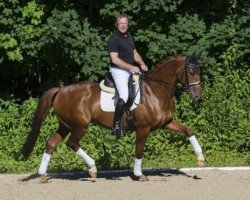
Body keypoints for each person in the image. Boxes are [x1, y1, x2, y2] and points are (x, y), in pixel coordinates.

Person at [107, 14, 148, 137]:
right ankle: (116, 125)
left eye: (125, 23)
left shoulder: (129, 37)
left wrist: (142, 64)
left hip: (130, 70)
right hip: (118, 71)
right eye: (121, 23)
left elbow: (135, 53)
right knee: (124, 95)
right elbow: (114, 59)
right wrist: (131, 67)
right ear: (117, 24)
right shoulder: (113, 39)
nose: (123, 25)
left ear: (127, 24)